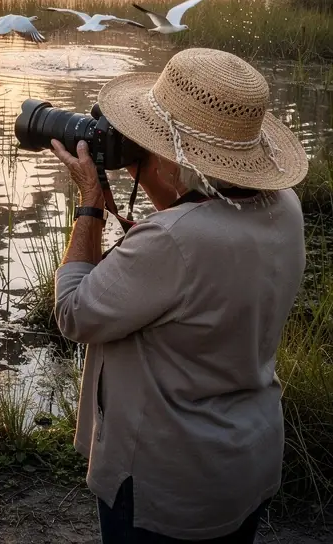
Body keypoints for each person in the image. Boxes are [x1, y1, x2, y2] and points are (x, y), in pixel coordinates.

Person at [52, 48, 308, 543]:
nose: (135, 159)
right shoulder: (286, 208)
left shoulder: (173, 240)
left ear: (172, 160)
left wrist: (90, 206)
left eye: (145, 143)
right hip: (245, 458)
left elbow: (73, 313)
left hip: (165, 479)